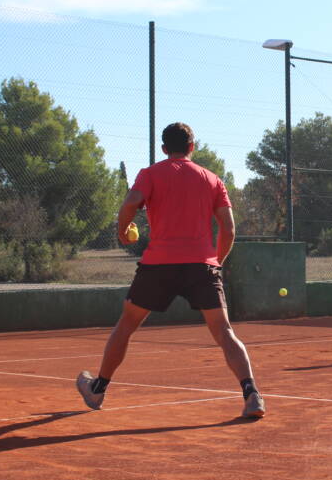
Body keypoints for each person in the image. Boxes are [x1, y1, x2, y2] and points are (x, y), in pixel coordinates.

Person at [76, 122, 265, 418]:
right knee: (225, 332)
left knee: (126, 324)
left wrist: (123, 230)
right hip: (201, 266)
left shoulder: (151, 174)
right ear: (192, 146)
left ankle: (97, 390)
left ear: (164, 149)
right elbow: (228, 228)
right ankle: (251, 394)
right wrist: (218, 261)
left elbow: (130, 202)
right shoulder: (213, 179)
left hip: (158, 265)